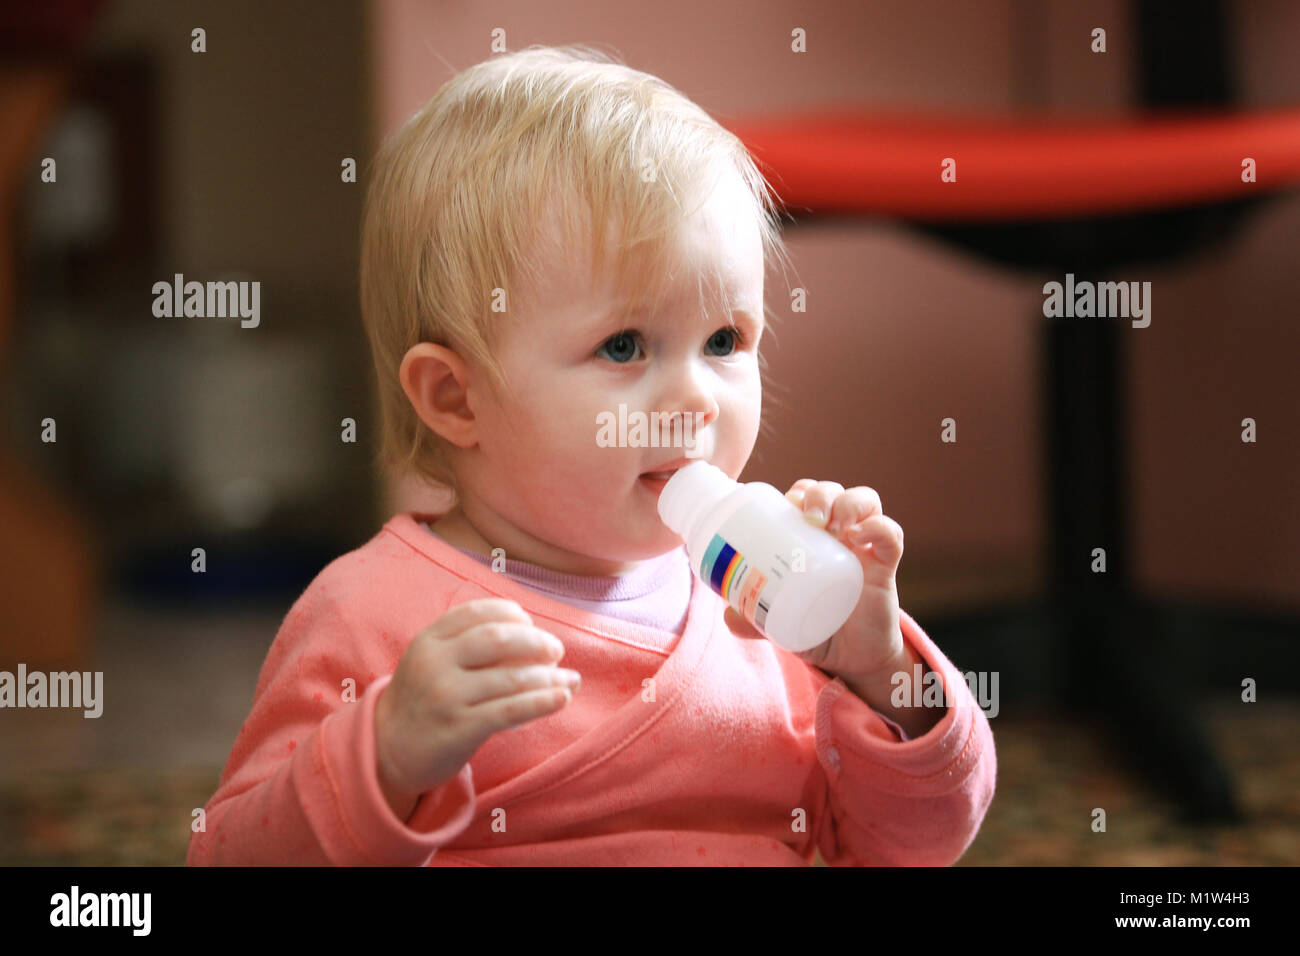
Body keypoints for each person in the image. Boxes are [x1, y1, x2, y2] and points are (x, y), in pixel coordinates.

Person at [187, 44, 996, 866]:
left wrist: (882, 669)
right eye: (623, 347)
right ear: (456, 399)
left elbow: (911, 847)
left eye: (725, 339)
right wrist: (382, 758)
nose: (696, 399)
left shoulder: (770, 604)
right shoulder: (370, 617)